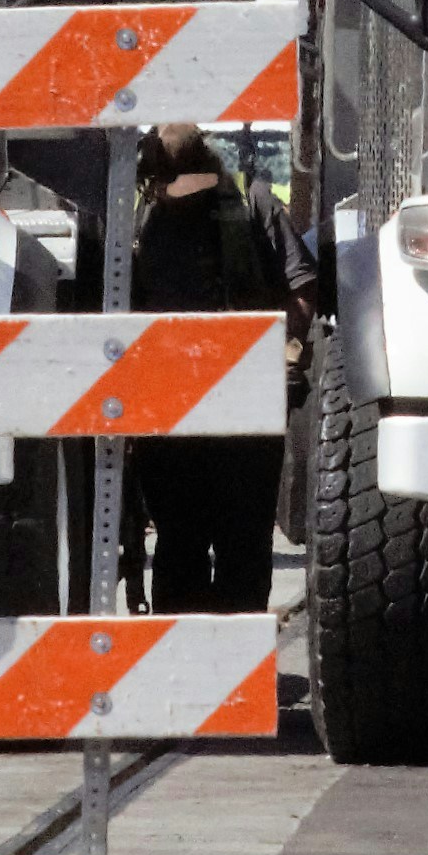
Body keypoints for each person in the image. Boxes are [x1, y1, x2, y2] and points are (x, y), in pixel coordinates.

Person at [120, 122, 293, 612]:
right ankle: (235, 668)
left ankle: (188, 667)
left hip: (173, 414)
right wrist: (283, 354)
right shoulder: (253, 202)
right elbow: (300, 290)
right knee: (239, 548)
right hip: (242, 413)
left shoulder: (137, 223)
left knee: (181, 545)